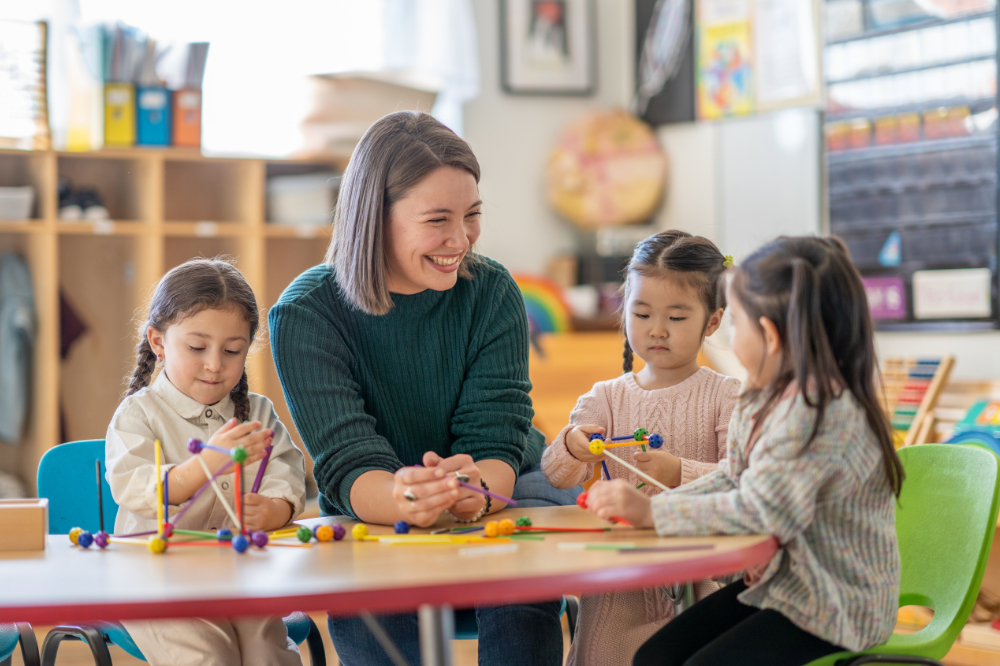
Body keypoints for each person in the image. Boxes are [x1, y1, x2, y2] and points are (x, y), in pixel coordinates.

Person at [269, 111, 572, 666]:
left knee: (519, 598)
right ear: (374, 218)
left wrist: (477, 491)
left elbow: (497, 438)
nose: (461, 239)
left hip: (500, 488)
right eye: (438, 220)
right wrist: (407, 499)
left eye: (472, 214)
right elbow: (348, 461)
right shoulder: (307, 313)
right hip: (374, 509)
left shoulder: (492, 291)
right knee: (374, 616)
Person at [584, 236, 904, 666]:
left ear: (768, 335)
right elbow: (734, 476)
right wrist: (652, 509)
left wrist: (654, 514)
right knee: (655, 656)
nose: (731, 335)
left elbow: (761, 511)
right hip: (786, 587)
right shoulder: (763, 396)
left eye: (738, 322)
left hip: (836, 608)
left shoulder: (820, 413)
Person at [541, 230, 741, 666]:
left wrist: (679, 472)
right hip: (617, 592)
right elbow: (555, 475)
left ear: (712, 322)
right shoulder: (605, 397)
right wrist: (573, 447)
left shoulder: (726, 396)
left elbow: (744, 482)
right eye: (642, 313)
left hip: (699, 586)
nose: (657, 329)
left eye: (677, 317)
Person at [106, 257, 307, 666]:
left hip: (239, 574)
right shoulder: (138, 414)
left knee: (268, 654)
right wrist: (207, 463)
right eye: (197, 348)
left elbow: (286, 474)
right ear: (159, 342)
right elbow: (135, 487)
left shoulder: (257, 412)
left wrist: (274, 510)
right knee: (209, 656)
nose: (215, 364)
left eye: (232, 350)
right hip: (154, 580)